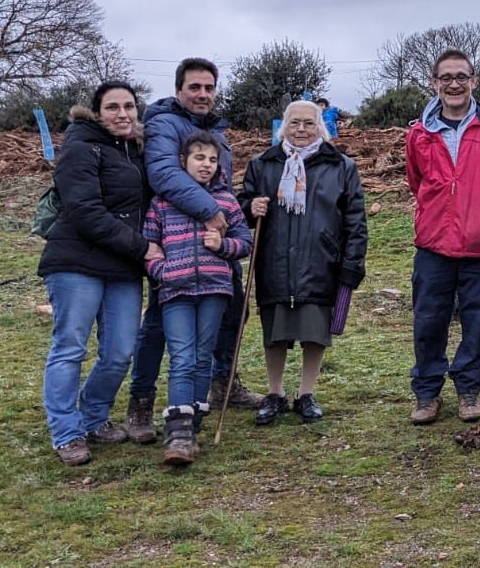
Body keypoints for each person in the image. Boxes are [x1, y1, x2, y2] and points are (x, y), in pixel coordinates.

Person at [127, 58, 263, 446]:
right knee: (158, 329)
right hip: (179, 251)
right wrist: (211, 212)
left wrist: (238, 212)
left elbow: (221, 184)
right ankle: (142, 402)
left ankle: (221, 385)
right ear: (178, 90)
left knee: (230, 315)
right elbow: (165, 177)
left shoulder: (215, 132)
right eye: (194, 87)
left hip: (215, 256)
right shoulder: (163, 124)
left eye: (209, 88)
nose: (202, 94)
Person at [37, 82, 153, 466]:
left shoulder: (138, 151)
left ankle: (93, 416)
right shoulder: (80, 148)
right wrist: (142, 247)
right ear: (96, 112)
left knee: (121, 351)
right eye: (112, 107)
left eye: (129, 107)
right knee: (70, 347)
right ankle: (67, 432)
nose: (122, 114)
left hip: (121, 267)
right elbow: (85, 211)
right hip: (76, 261)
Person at [405, 49, 480, 426]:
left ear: (474, 81)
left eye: (461, 76)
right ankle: (427, 391)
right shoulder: (419, 133)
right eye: (445, 77)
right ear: (434, 83)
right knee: (429, 319)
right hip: (434, 243)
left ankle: (469, 388)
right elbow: (416, 183)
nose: (454, 84)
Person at [240, 100, 368, 425]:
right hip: (275, 259)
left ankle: (306, 393)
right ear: (284, 126)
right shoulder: (263, 164)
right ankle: (275, 393)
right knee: (275, 330)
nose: (301, 130)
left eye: (309, 124)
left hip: (321, 261)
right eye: (294, 123)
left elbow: (355, 220)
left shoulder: (341, 166)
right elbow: (241, 205)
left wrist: (352, 263)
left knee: (315, 329)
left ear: (319, 127)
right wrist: (248, 207)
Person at [142, 131, 252, 464]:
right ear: (183, 162)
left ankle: (194, 421)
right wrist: (162, 271)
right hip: (175, 291)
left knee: (203, 355)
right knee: (182, 356)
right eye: (199, 158)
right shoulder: (162, 202)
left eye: (212, 159)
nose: (205, 165)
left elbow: (245, 242)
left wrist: (225, 246)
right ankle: (178, 430)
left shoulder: (227, 202)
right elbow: (148, 245)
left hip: (215, 290)